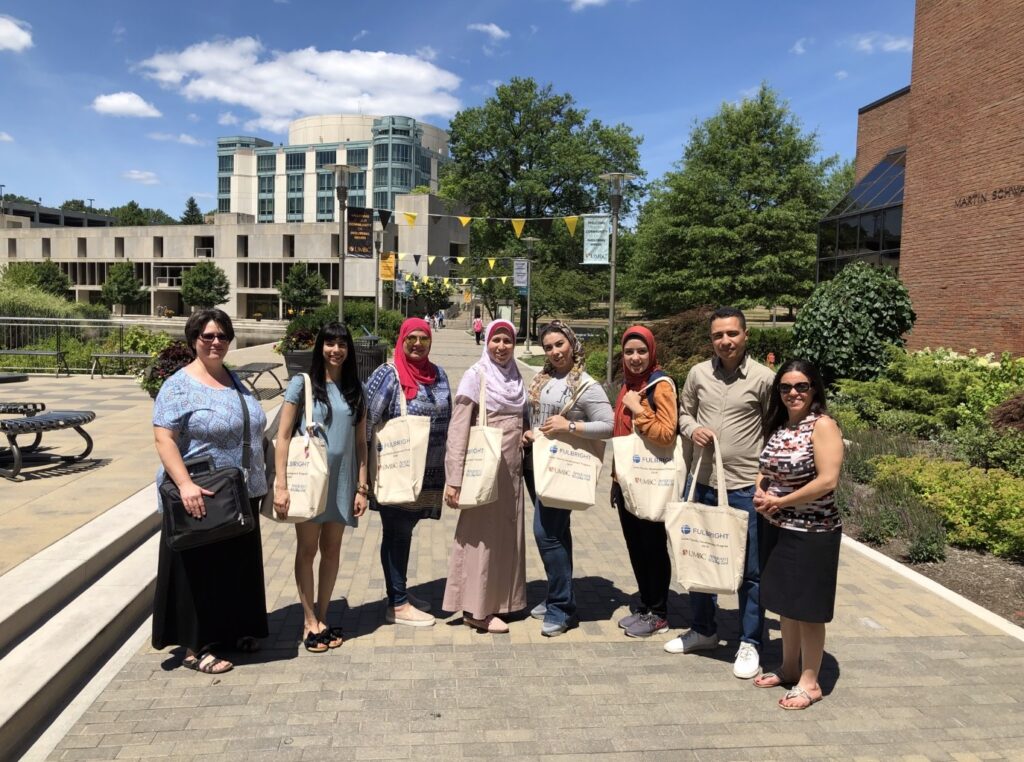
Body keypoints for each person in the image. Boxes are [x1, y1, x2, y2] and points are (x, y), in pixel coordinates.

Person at [152, 309, 269, 674]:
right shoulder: (179, 385)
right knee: (198, 571)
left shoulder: (234, 379)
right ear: (193, 341)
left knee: (235, 566)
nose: (215, 342)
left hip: (239, 490)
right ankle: (194, 646)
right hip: (201, 490)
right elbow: (163, 437)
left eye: (222, 336)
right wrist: (185, 484)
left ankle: (235, 630)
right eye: (207, 336)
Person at [666, 306, 774, 680]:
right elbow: (683, 413)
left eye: (732, 334)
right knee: (699, 559)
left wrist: (766, 480)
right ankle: (704, 630)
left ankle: (751, 642)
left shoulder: (764, 379)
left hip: (746, 487)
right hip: (703, 482)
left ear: (745, 335)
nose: (725, 341)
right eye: (718, 335)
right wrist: (691, 428)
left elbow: (774, 433)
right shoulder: (698, 374)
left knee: (750, 571)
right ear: (710, 339)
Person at [753, 359, 844, 710]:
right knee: (786, 605)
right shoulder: (783, 424)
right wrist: (760, 493)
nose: (793, 393)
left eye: (801, 386)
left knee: (808, 609)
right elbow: (764, 468)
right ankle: (789, 666)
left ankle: (810, 682)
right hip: (777, 526)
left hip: (813, 531)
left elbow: (827, 480)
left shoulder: (823, 426)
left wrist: (781, 501)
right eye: (786, 387)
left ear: (814, 389)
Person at [274, 322, 368, 653]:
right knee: (307, 550)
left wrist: (362, 486)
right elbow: (283, 436)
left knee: (332, 551)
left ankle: (324, 616)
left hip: (342, 482)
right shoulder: (303, 385)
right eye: (330, 343)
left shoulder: (356, 389)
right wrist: (280, 484)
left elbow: (360, 441)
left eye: (342, 344)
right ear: (321, 347)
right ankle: (308, 619)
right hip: (311, 481)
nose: (336, 350)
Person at [526, 320, 614, 636]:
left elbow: (609, 425)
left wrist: (571, 427)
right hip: (539, 464)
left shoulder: (586, 385)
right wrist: (531, 430)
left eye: (559, 345)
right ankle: (558, 596)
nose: (554, 351)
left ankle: (562, 608)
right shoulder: (543, 377)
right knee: (558, 534)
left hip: (564, 468)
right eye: (548, 346)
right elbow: (538, 416)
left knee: (546, 534)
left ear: (572, 345)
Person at [365, 317, 452, 627]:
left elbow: (450, 418)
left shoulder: (438, 375)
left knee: (405, 532)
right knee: (397, 533)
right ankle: (397, 604)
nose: (417, 343)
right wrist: (363, 478)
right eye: (411, 338)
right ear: (401, 341)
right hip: (398, 470)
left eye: (423, 338)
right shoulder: (387, 375)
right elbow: (366, 422)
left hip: (428, 472)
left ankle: (398, 591)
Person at [443, 320, 528, 633]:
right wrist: (454, 478)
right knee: (481, 536)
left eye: (507, 340)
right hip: (482, 470)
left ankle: (501, 602)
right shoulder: (475, 375)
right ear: (486, 342)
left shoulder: (516, 375)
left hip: (511, 473)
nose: (502, 347)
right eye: (496, 340)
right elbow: (458, 429)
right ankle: (476, 609)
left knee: (506, 536)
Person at [610, 326, 678, 638]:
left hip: (650, 479)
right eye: (629, 352)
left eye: (641, 351)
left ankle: (659, 612)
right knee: (636, 545)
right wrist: (615, 478)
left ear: (652, 352)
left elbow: (666, 434)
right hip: (628, 478)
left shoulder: (659, 385)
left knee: (652, 546)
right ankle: (647, 605)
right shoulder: (628, 384)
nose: (635, 358)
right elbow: (620, 436)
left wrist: (639, 411)